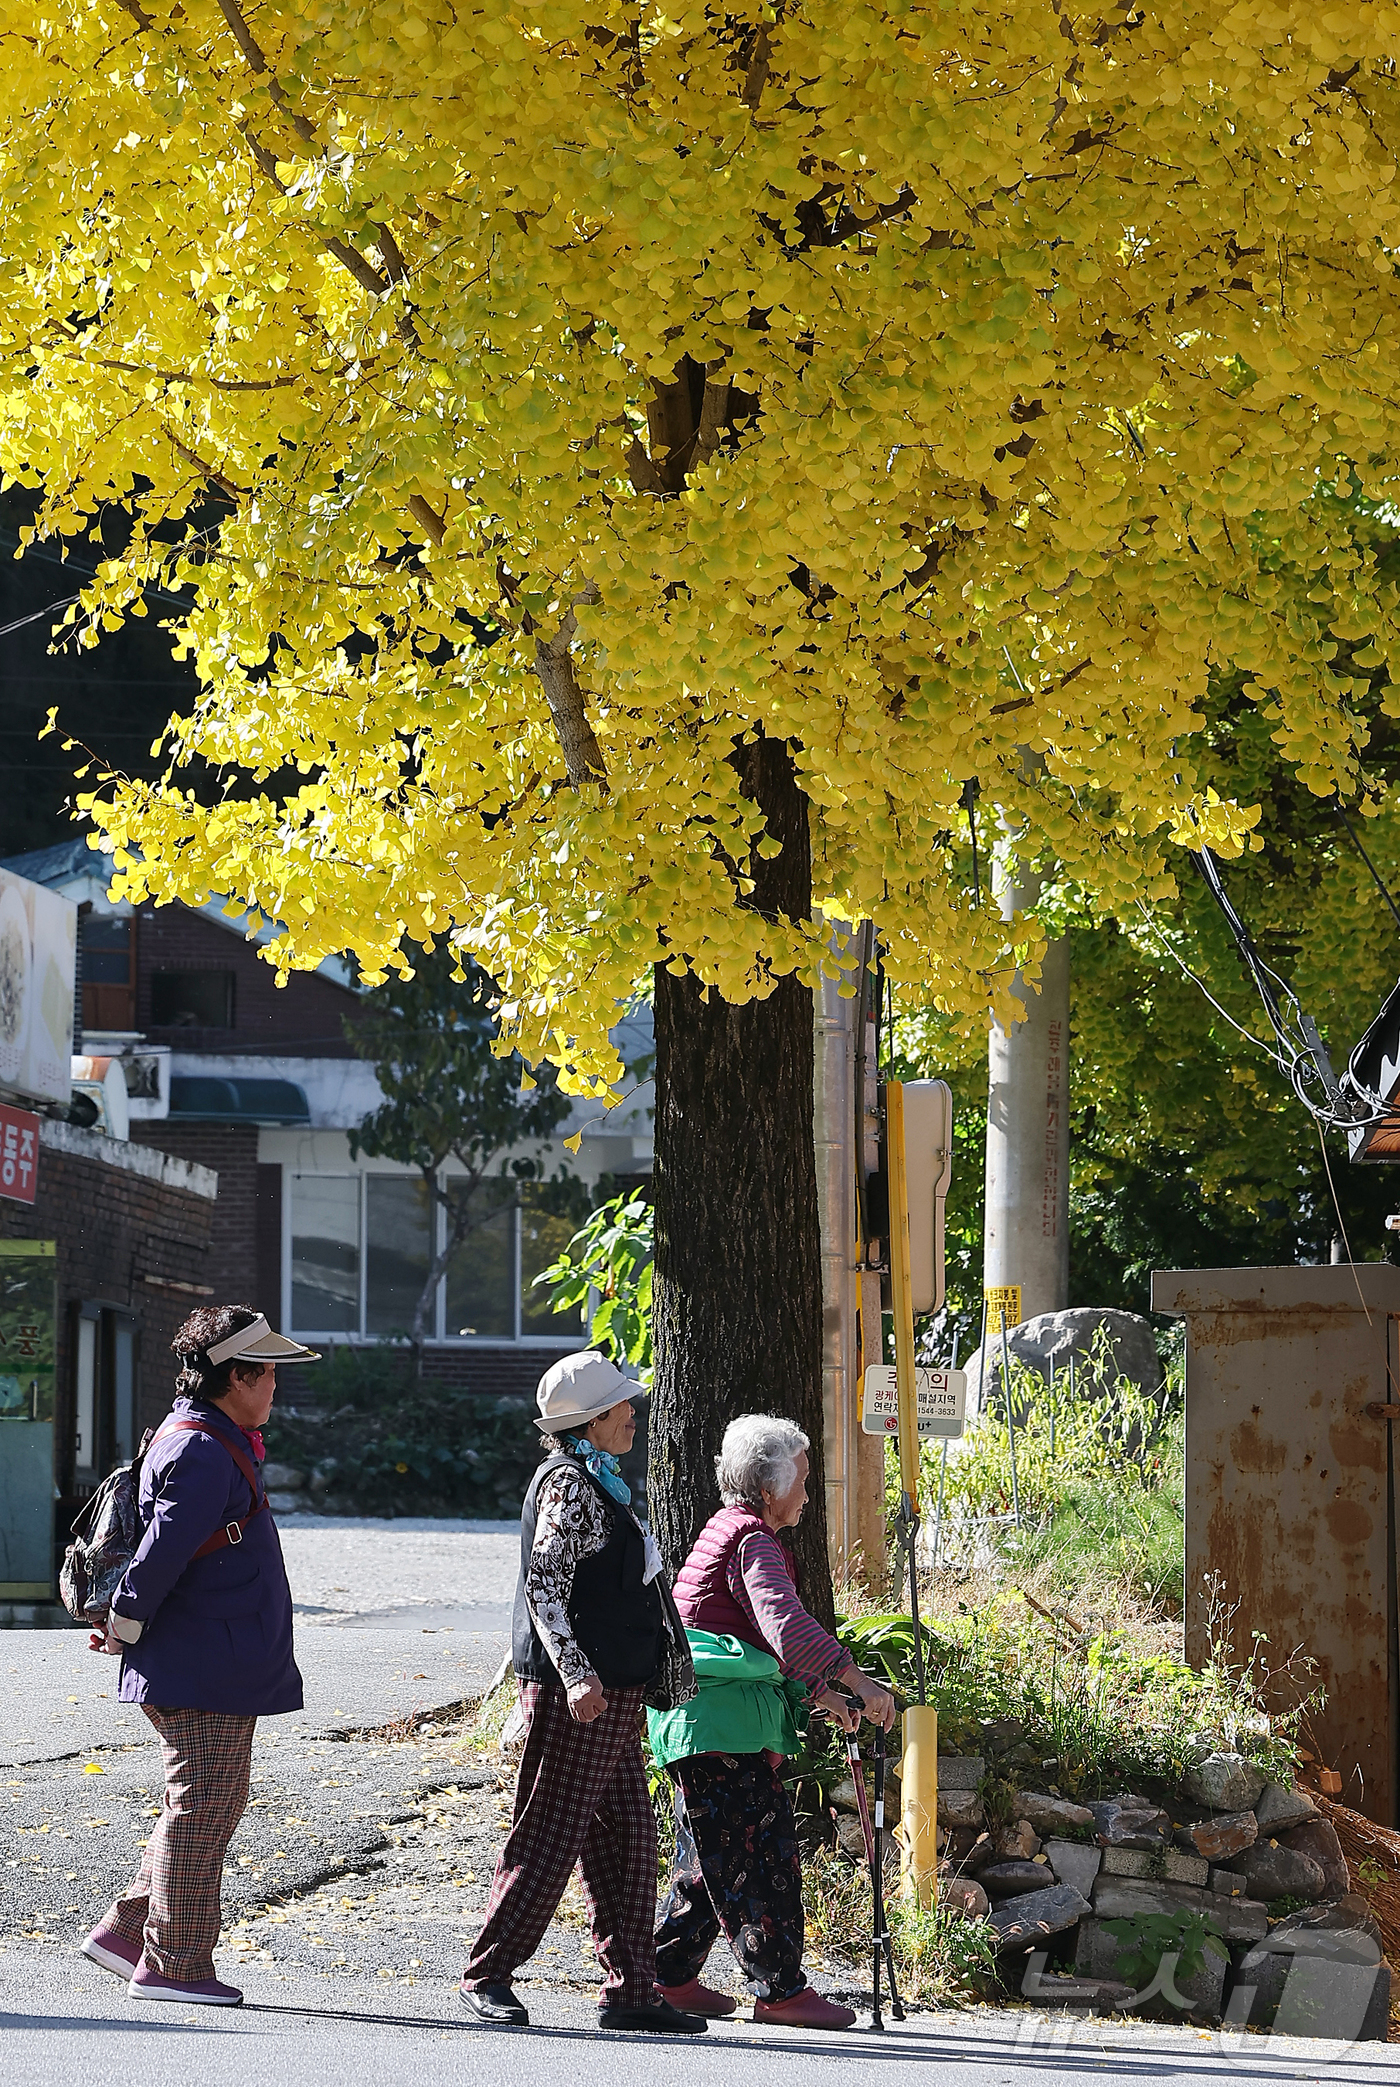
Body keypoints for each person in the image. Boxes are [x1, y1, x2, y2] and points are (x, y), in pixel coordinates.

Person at [80, 1304, 318, 2006]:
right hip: (202, 1661)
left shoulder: (211, 1435)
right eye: (268, 1371)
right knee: (202, 1803)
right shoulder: (202, 1447)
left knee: (209, 1800)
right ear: (236, 1376)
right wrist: (123, 1621)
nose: (277, 1383)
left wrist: (126, 1623)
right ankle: (174, 1964)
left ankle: (126, 1932)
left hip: (213, 1657)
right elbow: (161, 1553)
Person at [461, 1351, 704, 2035]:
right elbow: (545, 1587)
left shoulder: (598, 1481)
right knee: (548, 1833)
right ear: (593, 1420)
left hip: (611, 1692)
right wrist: (575, 1674)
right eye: (622, 1405)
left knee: (627, 1839)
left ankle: (631, 1986)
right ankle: (487, 1973)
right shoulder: (571, 1486)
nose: (633, 1412)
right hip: (582, 1693)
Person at [650, 1413, 898, 2031]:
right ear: (770, 1486)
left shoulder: (729, 1531)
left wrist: (820, 1691)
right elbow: (783, 1626)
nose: (809, 1495)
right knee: (761, 1859)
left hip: (705, 1726)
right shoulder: (753, 1540)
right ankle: (780, 1990)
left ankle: (667, 1975)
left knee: (709, 1859)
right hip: (719, 1728)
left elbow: (752, 1636)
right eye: (804, 1481)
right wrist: (857, 1682)